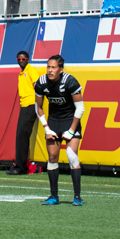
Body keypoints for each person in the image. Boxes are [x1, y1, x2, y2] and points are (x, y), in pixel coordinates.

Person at [33, 54, 85, 206]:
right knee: (52, 157)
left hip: (70, 121)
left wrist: (71, 130)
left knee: (71, 155)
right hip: (54, 122)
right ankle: (54, 196)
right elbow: (39, 107)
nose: (50, 70)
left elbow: (80, 108)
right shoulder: (41, 83)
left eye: (53, 67)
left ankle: (77, 197)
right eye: (48, 67)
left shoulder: (70, 81)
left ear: (61, 69)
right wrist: (47, 129)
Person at [7, 51, 42, 176]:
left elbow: (38, 87)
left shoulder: (31, 71)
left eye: (23, 58)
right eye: (19, 59)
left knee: (22, 135)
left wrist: (38, 105)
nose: (21, 61)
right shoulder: (21, 73)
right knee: (21, 135)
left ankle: (21, 167)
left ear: (28, 59)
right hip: (24, 106)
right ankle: (21, 164)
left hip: (31, 105)